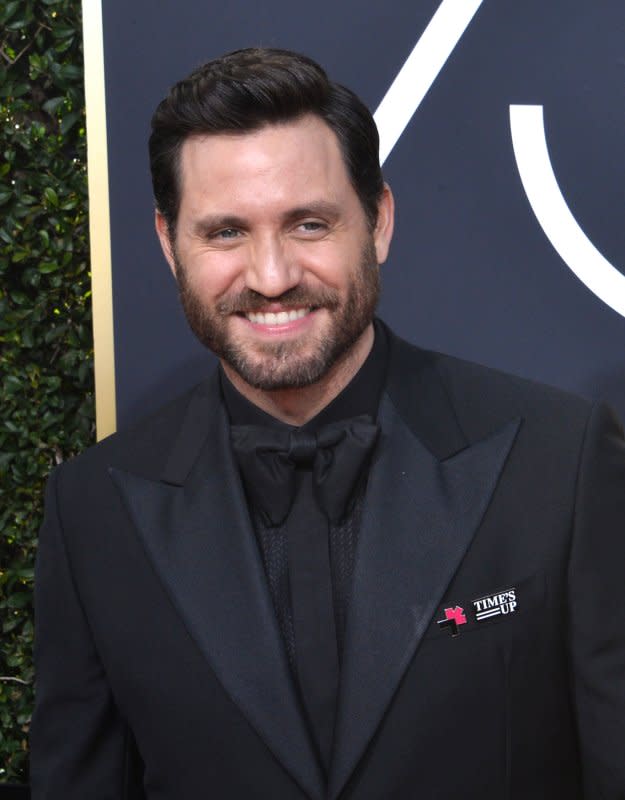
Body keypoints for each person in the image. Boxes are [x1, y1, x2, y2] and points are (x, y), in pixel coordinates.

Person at [30, 47, 625, 799]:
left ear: (376, 224)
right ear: (166, 243)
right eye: (224, 233)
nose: (271, 275)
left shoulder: (558, 462)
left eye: (308, 224)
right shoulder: (93, 513)